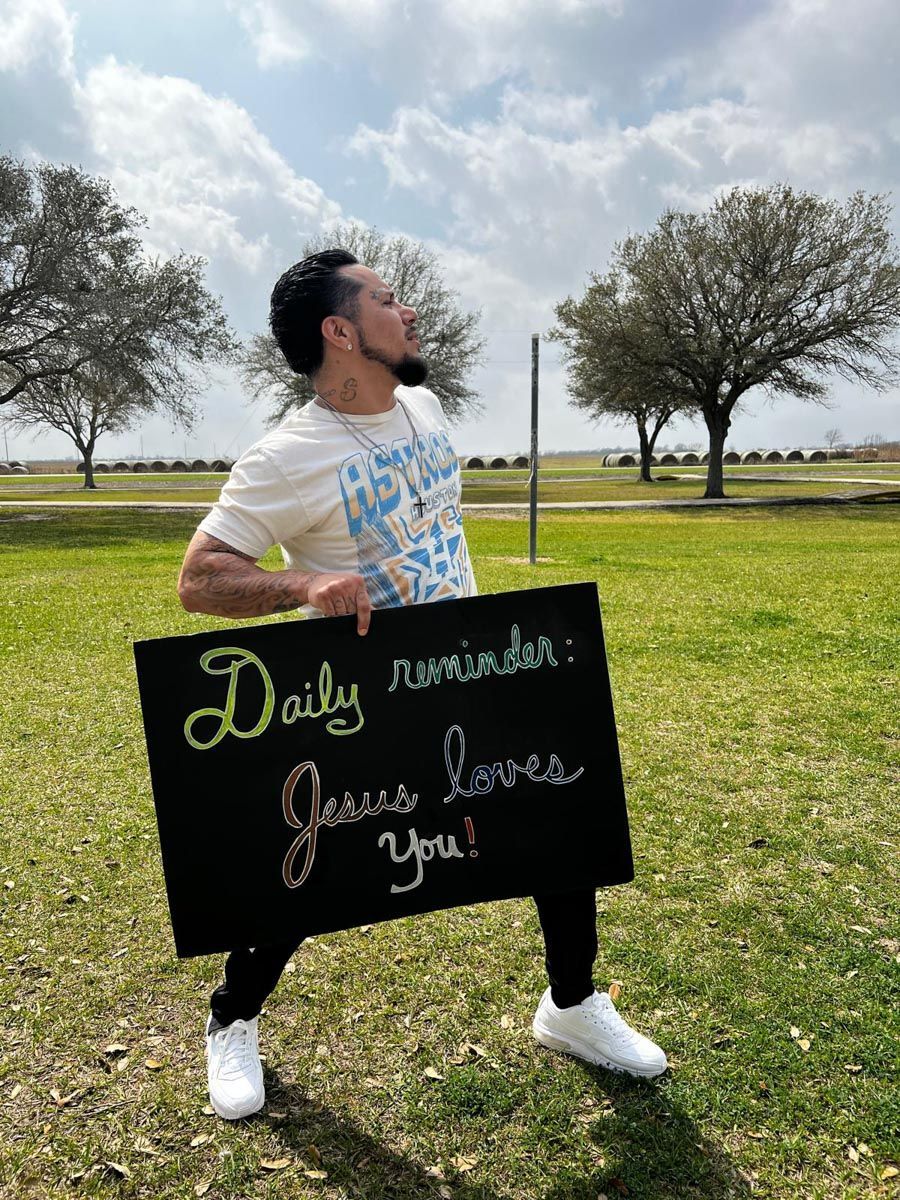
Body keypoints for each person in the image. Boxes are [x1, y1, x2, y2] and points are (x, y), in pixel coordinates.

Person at [177, 249, 667, 1120]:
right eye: (387, 299)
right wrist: (301, 586)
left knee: (558, 824)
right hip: (365, 701)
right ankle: (231, 1016)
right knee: (307, 866)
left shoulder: (427, 407)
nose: (409, 313)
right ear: (339, 330)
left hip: (470, 673)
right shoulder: (287, 457)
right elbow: (199, 579)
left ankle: (571, 1005)